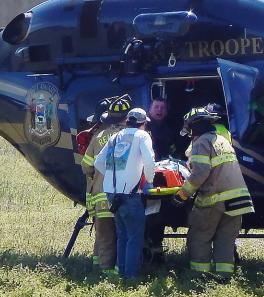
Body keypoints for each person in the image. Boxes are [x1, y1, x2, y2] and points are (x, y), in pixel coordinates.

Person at [175, 106, 254, 277]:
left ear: (194, 127)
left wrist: (182, 195)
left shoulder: (201, 143)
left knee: (199, 237)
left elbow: (200, 173)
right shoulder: (222, 140)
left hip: (214, 199)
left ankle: (199, 277)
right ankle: (223, 277)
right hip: (238, 199)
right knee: (225, 240)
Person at [94, 107, 156, 280]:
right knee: (134, 237)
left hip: (112, 194)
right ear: (143, 124)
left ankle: (121, 273)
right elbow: (150, 161)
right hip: (130, 194)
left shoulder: (114, 137)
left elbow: (99, 162)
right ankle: (131, 277)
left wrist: (115, 177)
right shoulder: (143, 136)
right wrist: (149, 181)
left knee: (122, 235)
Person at [80, 94, 131, 274]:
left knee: (104, 236)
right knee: (124, 236)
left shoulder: (99, 136)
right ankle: (120, 273)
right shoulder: (131, 137)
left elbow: (86, 167)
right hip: (123, 196)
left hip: (100, 196)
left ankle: (101, 271)